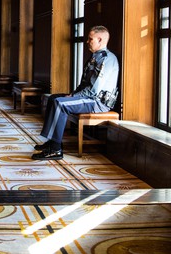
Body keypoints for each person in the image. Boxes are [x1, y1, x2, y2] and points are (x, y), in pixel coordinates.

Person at [32, 25, 119, 160]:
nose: (87, 41)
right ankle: (53, 141)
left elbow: (94, 90)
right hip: (89, 98)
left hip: (97, 102)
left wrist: (74, 96)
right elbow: (84, 84)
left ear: (100, 40)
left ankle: (55, 149)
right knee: (53, 98)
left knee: (59, 103)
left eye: (90, 39)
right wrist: (73, 94)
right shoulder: (95, 57)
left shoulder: (107, 59)